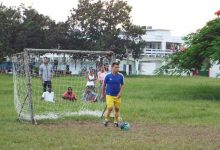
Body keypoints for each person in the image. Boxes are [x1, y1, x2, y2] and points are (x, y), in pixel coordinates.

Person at [101, 62, 125, 127]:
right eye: (116, 67)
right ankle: (106, 120)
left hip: (117, 96)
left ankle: (116, 122)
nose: (117, 69)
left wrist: (120, 93)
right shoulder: (108, 75)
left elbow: (123, 85)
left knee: (117, 109)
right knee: (110, 107)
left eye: (118, 67)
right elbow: (103, 85)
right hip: (109, 95)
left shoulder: (121, 76)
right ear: (112, 68)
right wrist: (102, 94)